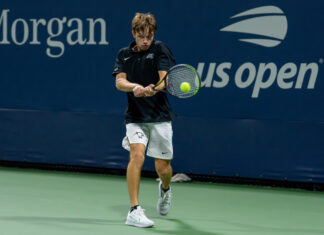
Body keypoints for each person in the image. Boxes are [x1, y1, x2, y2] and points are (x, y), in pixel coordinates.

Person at [112, 12, 176, 228]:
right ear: (134, 34)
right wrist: (136, 87)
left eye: (149, 36)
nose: (146, 40)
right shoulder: (123, 54)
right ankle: (134, 210)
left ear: (153, 34)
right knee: (137, 155)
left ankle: (165, 190)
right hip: (135, 117)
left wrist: (152, 89)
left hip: (159, 117)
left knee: (163, 168)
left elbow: (164, 80)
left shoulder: (160, 49)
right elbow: (120, 82)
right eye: (142, 36)